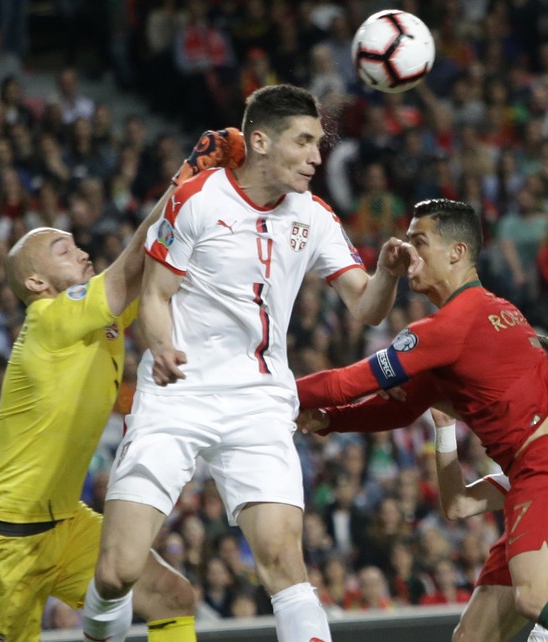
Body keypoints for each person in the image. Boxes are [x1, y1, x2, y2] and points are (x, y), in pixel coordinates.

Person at [83, 84, 418, 642]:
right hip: (179, 393)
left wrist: (385, 273)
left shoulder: (313, 215)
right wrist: (162, 347)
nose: (317, 156)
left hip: (259, 401)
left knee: (285, 564)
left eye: (319, 143)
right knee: (117, 571)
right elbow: (158, 295)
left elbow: (365, 307)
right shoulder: (196, 199)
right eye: (304, 142)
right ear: (259, 141)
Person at [0, 129, 245, 642]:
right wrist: (186, 179)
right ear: (37, 284)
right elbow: (130, 268)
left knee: (171, 596)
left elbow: (151, 266)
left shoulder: (98, 320)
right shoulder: (46, 320)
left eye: (79, 245)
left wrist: (220, 195)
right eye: (65, 251)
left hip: (64, 525)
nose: (83, 253)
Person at [295, 199, 548, 642]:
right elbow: (401, 407)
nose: (408, 251)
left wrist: (270, 393)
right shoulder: (490, 316)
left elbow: (346, 383)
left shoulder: (451, 326)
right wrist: (327, 423)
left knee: (535, 597)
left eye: (419, 242)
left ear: (456, 252)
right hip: (532, 474)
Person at [298, 335, 548, 641]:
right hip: (541, 517)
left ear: (540, 374)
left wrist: (340, 412)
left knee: (534, 598)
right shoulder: (530, 458)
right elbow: (458, 505)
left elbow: (428, 389)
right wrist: (443, 429)